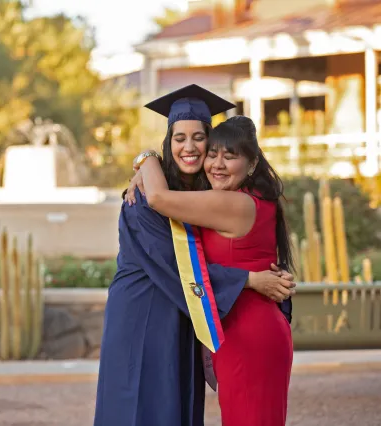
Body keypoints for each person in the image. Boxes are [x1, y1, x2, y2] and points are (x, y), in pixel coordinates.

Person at [93, 85, 295, 426]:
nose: (189, 147)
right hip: (145, 311)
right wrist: (249, 280)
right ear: (168, 143)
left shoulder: (203, 193)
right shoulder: (143, 197)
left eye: (199, 138)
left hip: (188, 311)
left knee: (178, 408)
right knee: (142, 408)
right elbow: (174, 266)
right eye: (179, 138)